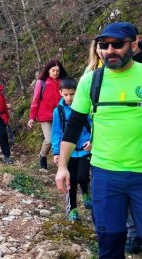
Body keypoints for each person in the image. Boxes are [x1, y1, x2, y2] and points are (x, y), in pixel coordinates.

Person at [56, 22, 142, 258]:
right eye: (104, 45)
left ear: (134, 45)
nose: (109, 50)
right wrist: (62, 166)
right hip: (105, 175)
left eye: (117, 44)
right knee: (110, 243)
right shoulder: (90, 82)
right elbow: (73, 126)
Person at [51, 78, 92, 221]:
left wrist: (91, 139)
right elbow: (56, 133)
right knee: (71, 181)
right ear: (61, 93)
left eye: (72, 94)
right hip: (68, 152)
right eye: (66, 94)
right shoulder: (59, 111)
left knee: (82, 176)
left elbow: (93, 124)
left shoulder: (85, 106)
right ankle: (72, 209)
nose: (69, 97)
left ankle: (86, 192)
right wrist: (56, 152)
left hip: (85, 149)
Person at [28, 59, 68, 169]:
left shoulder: (63, 83)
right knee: (49, 139)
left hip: (60, 115)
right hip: (45, 116)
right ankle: (42, 155)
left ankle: (63, 162)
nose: (55, 73)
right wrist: (32, 117)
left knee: (62, 138)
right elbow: (35, 100)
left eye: (58, 71)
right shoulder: (41, 83)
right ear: (48, 71)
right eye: (53, 70)